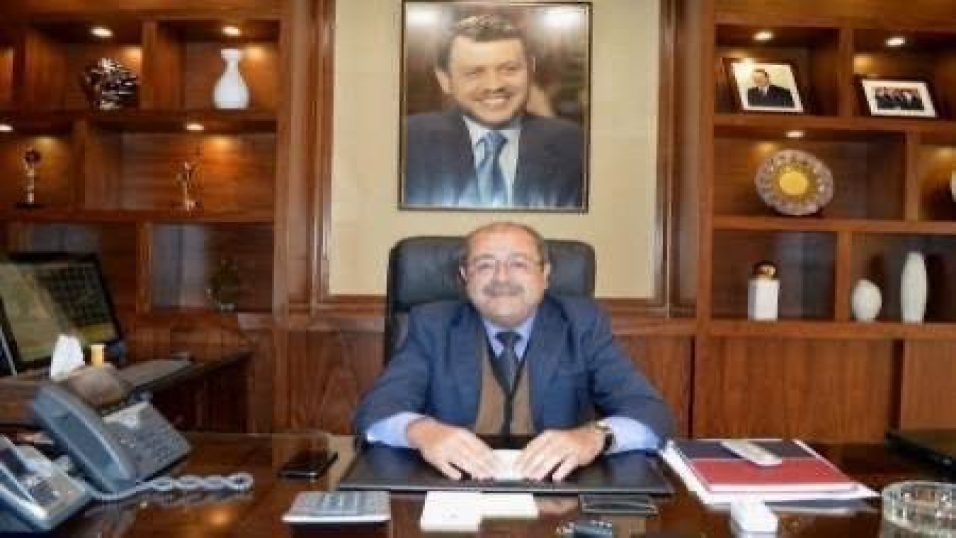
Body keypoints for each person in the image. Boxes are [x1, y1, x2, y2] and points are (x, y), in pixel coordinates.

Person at [354, 222, 674, 482]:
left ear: (545, 275)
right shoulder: (433, 325)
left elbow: (650, 411)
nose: (501, 278)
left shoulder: (581, 323)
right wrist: (422, 431)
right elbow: (375, 411)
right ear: (465, 277)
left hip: (558, 490)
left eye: (518, 263)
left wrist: (595, 436)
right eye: (485, 265)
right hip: (453, 489)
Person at [402, 14, 584, 210]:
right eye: (474, 72)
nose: (494, 85)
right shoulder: (407, 141)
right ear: (445, 80)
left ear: (530, 70)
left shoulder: (575, 144)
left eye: (509, 69)